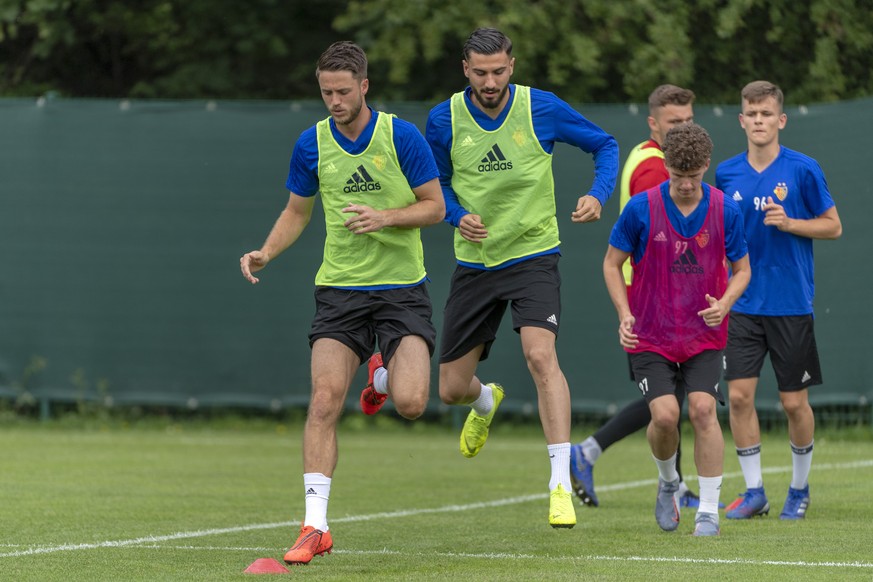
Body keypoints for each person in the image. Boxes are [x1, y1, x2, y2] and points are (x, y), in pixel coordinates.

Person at [239, 41, 445, 565]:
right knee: (325, 399)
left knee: (413, 402)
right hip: (340, 291)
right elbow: (296, 211)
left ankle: (380, 375)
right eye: (326, 91)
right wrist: (266, 251)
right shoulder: (311, 144)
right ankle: (315, 526)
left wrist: (385, 217)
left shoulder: (401, 136)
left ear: (364, 87)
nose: (333, 100)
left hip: (401, 290)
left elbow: (435, 208)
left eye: (343, 91)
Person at [423, 27, 619, 529]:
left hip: (534, 255)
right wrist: (455, 214)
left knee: (539, 355)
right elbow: (436, 184)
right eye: (480, 72)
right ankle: (485, 399)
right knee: (449, 389)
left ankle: (558, 484)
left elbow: (605, 145)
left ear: (512, 66)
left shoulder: (542, 108)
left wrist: (598, 193)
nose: (490, 81)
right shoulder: (443, 119)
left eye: (499, 71)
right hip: (474, 262)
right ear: (465, 69)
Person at [602, 122, 750, 536]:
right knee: (665, 417)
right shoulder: (640, 208)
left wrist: (725, 303)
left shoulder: (725, 210)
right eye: (678, 176)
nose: (686, 185)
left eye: (694, 176)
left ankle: (707, 511)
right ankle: (669, 482)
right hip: (649, 333)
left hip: (704, 333)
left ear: (706, 166)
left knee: (703, 410)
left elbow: (743, 270)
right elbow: (612, 264)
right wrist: (623, 314)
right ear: (666, 165)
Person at [570, 84, 703, 509]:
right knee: (666, 400)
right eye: (673, 123)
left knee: (670, 400)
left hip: (668, 299)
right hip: (651, 301)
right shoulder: (652, 167)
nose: (682, 130)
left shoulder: (664, 160)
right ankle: (592, 452)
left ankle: (665, 481)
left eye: (688, 121)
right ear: (653, 124)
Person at [716, 80, 842, 520]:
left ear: (781, 120)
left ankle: (799, 488)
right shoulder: (726, 173)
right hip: (743, 305)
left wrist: (791, 224)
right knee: (739, 399)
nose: (759, 121)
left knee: (793, 404)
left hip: (791, 303)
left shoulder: (804, 169)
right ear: (741, 120)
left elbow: (833, 226)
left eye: (766, 114)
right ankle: (755, 492)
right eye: (751, 114)